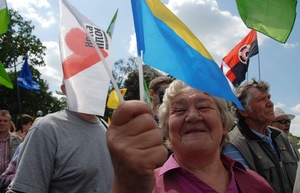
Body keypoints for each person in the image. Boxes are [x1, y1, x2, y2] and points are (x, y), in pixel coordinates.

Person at [107, 80, 274, 193]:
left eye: (203, 107)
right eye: (179, 110)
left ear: (224, 124)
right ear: (166, 130)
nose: (193, 116)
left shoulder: (257, 184)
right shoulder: (144, 187)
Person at [7, 82, 114, 193]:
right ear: (65, 88)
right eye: (86, 80)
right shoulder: (47, 128)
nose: (94, 87)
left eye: (98, 80)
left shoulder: (108, 129)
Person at [222, 79, 298, 193]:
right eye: (261, 99)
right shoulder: (234, 146)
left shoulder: (281, 137)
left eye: (268, 97)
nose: (270, 103)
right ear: (243, 111)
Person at [0, 110, 22, 175]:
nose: (2, 123)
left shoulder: (18, 140)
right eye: (0, 120)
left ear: (10, 124)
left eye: (5, 121)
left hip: (9, 180)